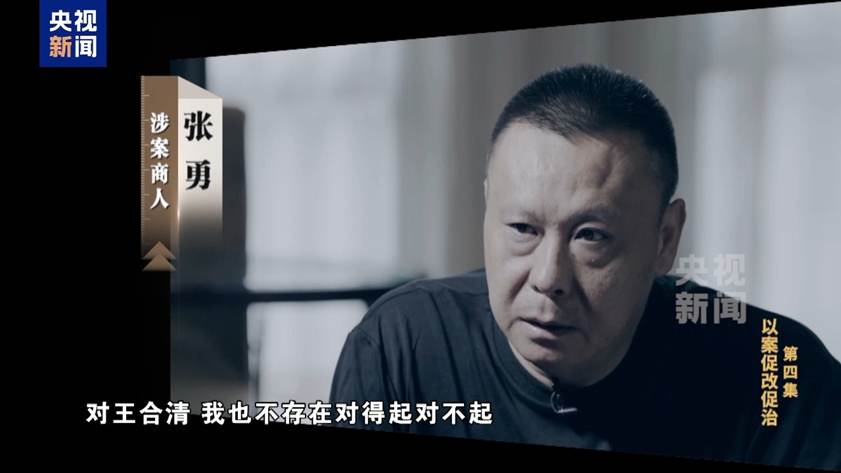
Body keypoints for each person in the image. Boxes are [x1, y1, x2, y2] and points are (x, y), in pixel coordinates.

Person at [329, 64, 841, 469]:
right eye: (523, 229)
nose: (548, 278)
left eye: (590, 236)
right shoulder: (403, 345)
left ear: (665, 239)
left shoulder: (779, 370)